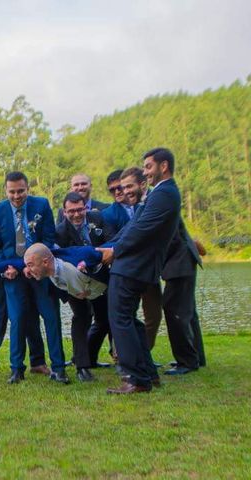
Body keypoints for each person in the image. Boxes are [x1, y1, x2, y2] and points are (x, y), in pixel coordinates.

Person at [97, 147, 181, 394]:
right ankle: (147, 372)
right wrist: (104, 248)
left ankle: (135, 378)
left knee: (119, 319)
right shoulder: (159, 194)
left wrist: (116, 251)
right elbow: (132, 226)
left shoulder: (165, 193)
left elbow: (141, 229)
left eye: (148, 167)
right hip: (134, 265)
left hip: (132, 266)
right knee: (129, 321)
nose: (146, 172)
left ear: (163, 166)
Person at [0, 171, 67, 384]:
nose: (17, 196)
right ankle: (17, 369)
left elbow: (49, 239)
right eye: (12, 192)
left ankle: (59, 368)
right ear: (5, 191)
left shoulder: (41, 205)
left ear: (27, 189)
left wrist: (35, 265)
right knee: (18, 319)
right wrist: (6, 269)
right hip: (13, 275)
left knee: (51, 318)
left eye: (20, 191)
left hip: (40, 274)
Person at [0, 184, 47, 380]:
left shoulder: (9, 213)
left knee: (29, 318)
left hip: (22, 275)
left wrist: (18, 268)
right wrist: (4, 270)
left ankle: (38, 362)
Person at [56, 192, 110, 382]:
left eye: (80, 209)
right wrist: (74, 290)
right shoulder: (60, 232)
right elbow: (60, 264)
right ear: (64, 212)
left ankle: (90, 356)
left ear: (86, 207)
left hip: (101, 278)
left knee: (105, 319)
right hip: (75, 284)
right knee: (82, 317)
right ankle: (82, 366)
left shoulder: (98, 218)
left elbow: (110, 242)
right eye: (72, 211)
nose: (77, 214)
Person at [120, 167, 164, 351]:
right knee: (125, 315)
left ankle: (144, 354)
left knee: (153, 315)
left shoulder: (155, 202)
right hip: (128, 269)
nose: (126, 191)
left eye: (130, 186)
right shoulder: (123, 208)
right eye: (124, 188)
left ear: (143, 184)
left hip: (149, 269)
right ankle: (123, 356)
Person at [161, 220, 206, 374]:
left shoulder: (160, 202)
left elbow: (169, 242)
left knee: (175, 312)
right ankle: (197, 357)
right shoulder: (165, 202)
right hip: (184, 262)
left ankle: (187, 361)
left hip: (179, 264)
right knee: (189, 312)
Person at [100, 169, 131, 239]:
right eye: (112, 190)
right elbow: (113, 240)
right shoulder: (107, 214)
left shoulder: (142, 203)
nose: (117, 192)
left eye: (119, 187)